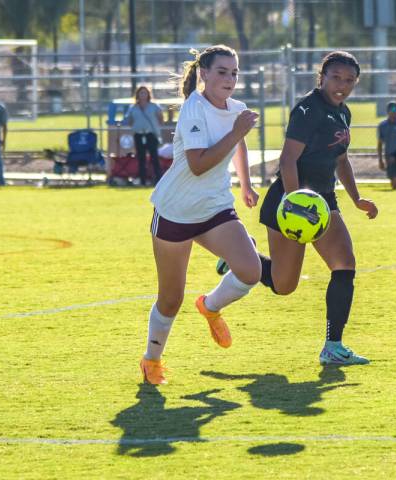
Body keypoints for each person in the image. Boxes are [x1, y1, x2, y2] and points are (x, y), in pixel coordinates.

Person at [221, 51, 378, 366]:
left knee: (345, 265)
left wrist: (356, 198)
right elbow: (287, 159)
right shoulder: (308, 110)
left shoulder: (343, 113)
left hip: (323, 202)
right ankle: (242, 256)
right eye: (336, 77)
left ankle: (333, 346)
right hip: (291, 201)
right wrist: (294, 201)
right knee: (284, 285)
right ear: (321, 77)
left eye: (349, 80)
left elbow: (340, 159)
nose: (342, 85)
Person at [140, 45, 262, 385]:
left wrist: (245, 185)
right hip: (175, 212)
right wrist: (238, 131)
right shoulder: (193, 108)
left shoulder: (235, 109)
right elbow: (197, 165)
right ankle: (152, 360)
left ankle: (210, 306)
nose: (230, 78)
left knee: (251, 271)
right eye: (222, 71)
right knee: (170, 298)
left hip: (214, 208)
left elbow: (238, 145)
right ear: (204, 74)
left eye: (234, 72)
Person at [123, 85, 165, 185]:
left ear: (148, 94)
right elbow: (129, 121)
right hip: (139, 135)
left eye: (145, 93)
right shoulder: (133, 107)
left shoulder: (154, 106)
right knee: (141, 159)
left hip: (151, 134)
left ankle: (159, 181)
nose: (143, 95)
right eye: (141, 93)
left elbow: (161, 119)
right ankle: (142, 181)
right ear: (137, 94)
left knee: (154, 158)